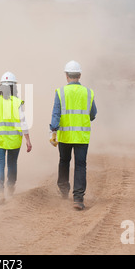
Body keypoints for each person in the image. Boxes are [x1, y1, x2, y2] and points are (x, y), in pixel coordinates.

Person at [49, 61, 97, 210]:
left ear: (66, 75)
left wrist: (53, 131)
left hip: (65, 136)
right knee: (80, 165)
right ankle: (78, 199)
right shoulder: (88, 92)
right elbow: (93, 114)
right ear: (80, 75)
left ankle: (63, 190)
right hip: (82, 136)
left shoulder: (61, 92)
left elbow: (56, 114)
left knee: (64, 161)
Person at [0, 71, 32, 205]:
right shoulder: (17, 102)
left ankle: (0, 192)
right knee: (12, 164)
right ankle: (11, 188)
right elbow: (23, 122)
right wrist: (28, 140)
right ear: (14, 87)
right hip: (13, 141)